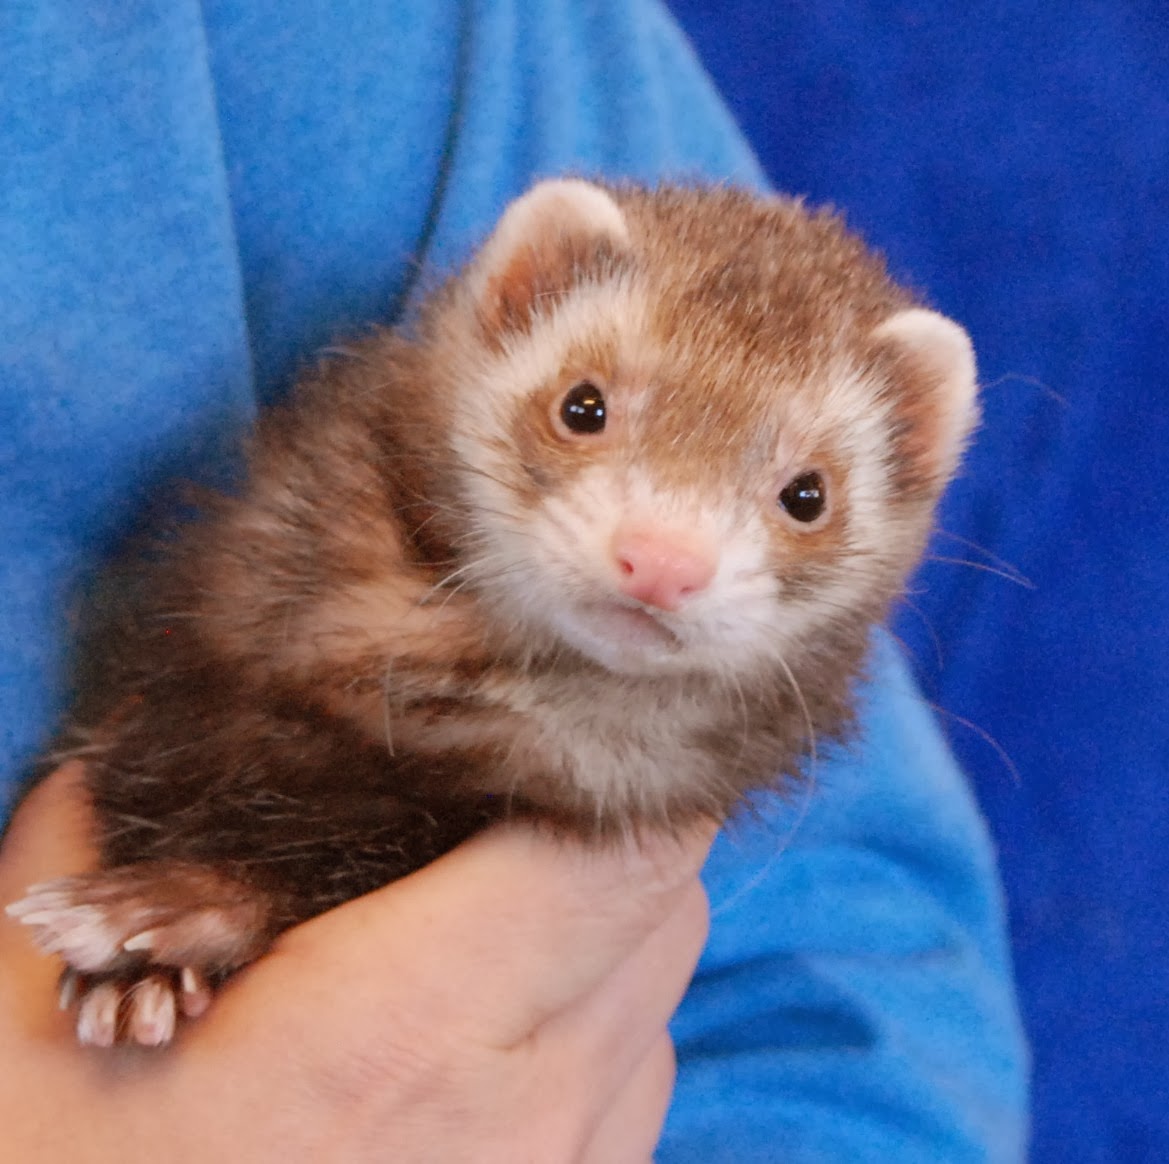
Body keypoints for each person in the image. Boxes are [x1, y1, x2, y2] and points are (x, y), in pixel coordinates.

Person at [0, 1, 1028, 1159]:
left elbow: (859, 998)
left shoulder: (467, 44)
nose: (667, 559)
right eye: (585, 413)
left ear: (912, 473)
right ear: (508, 306)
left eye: (799, 500)